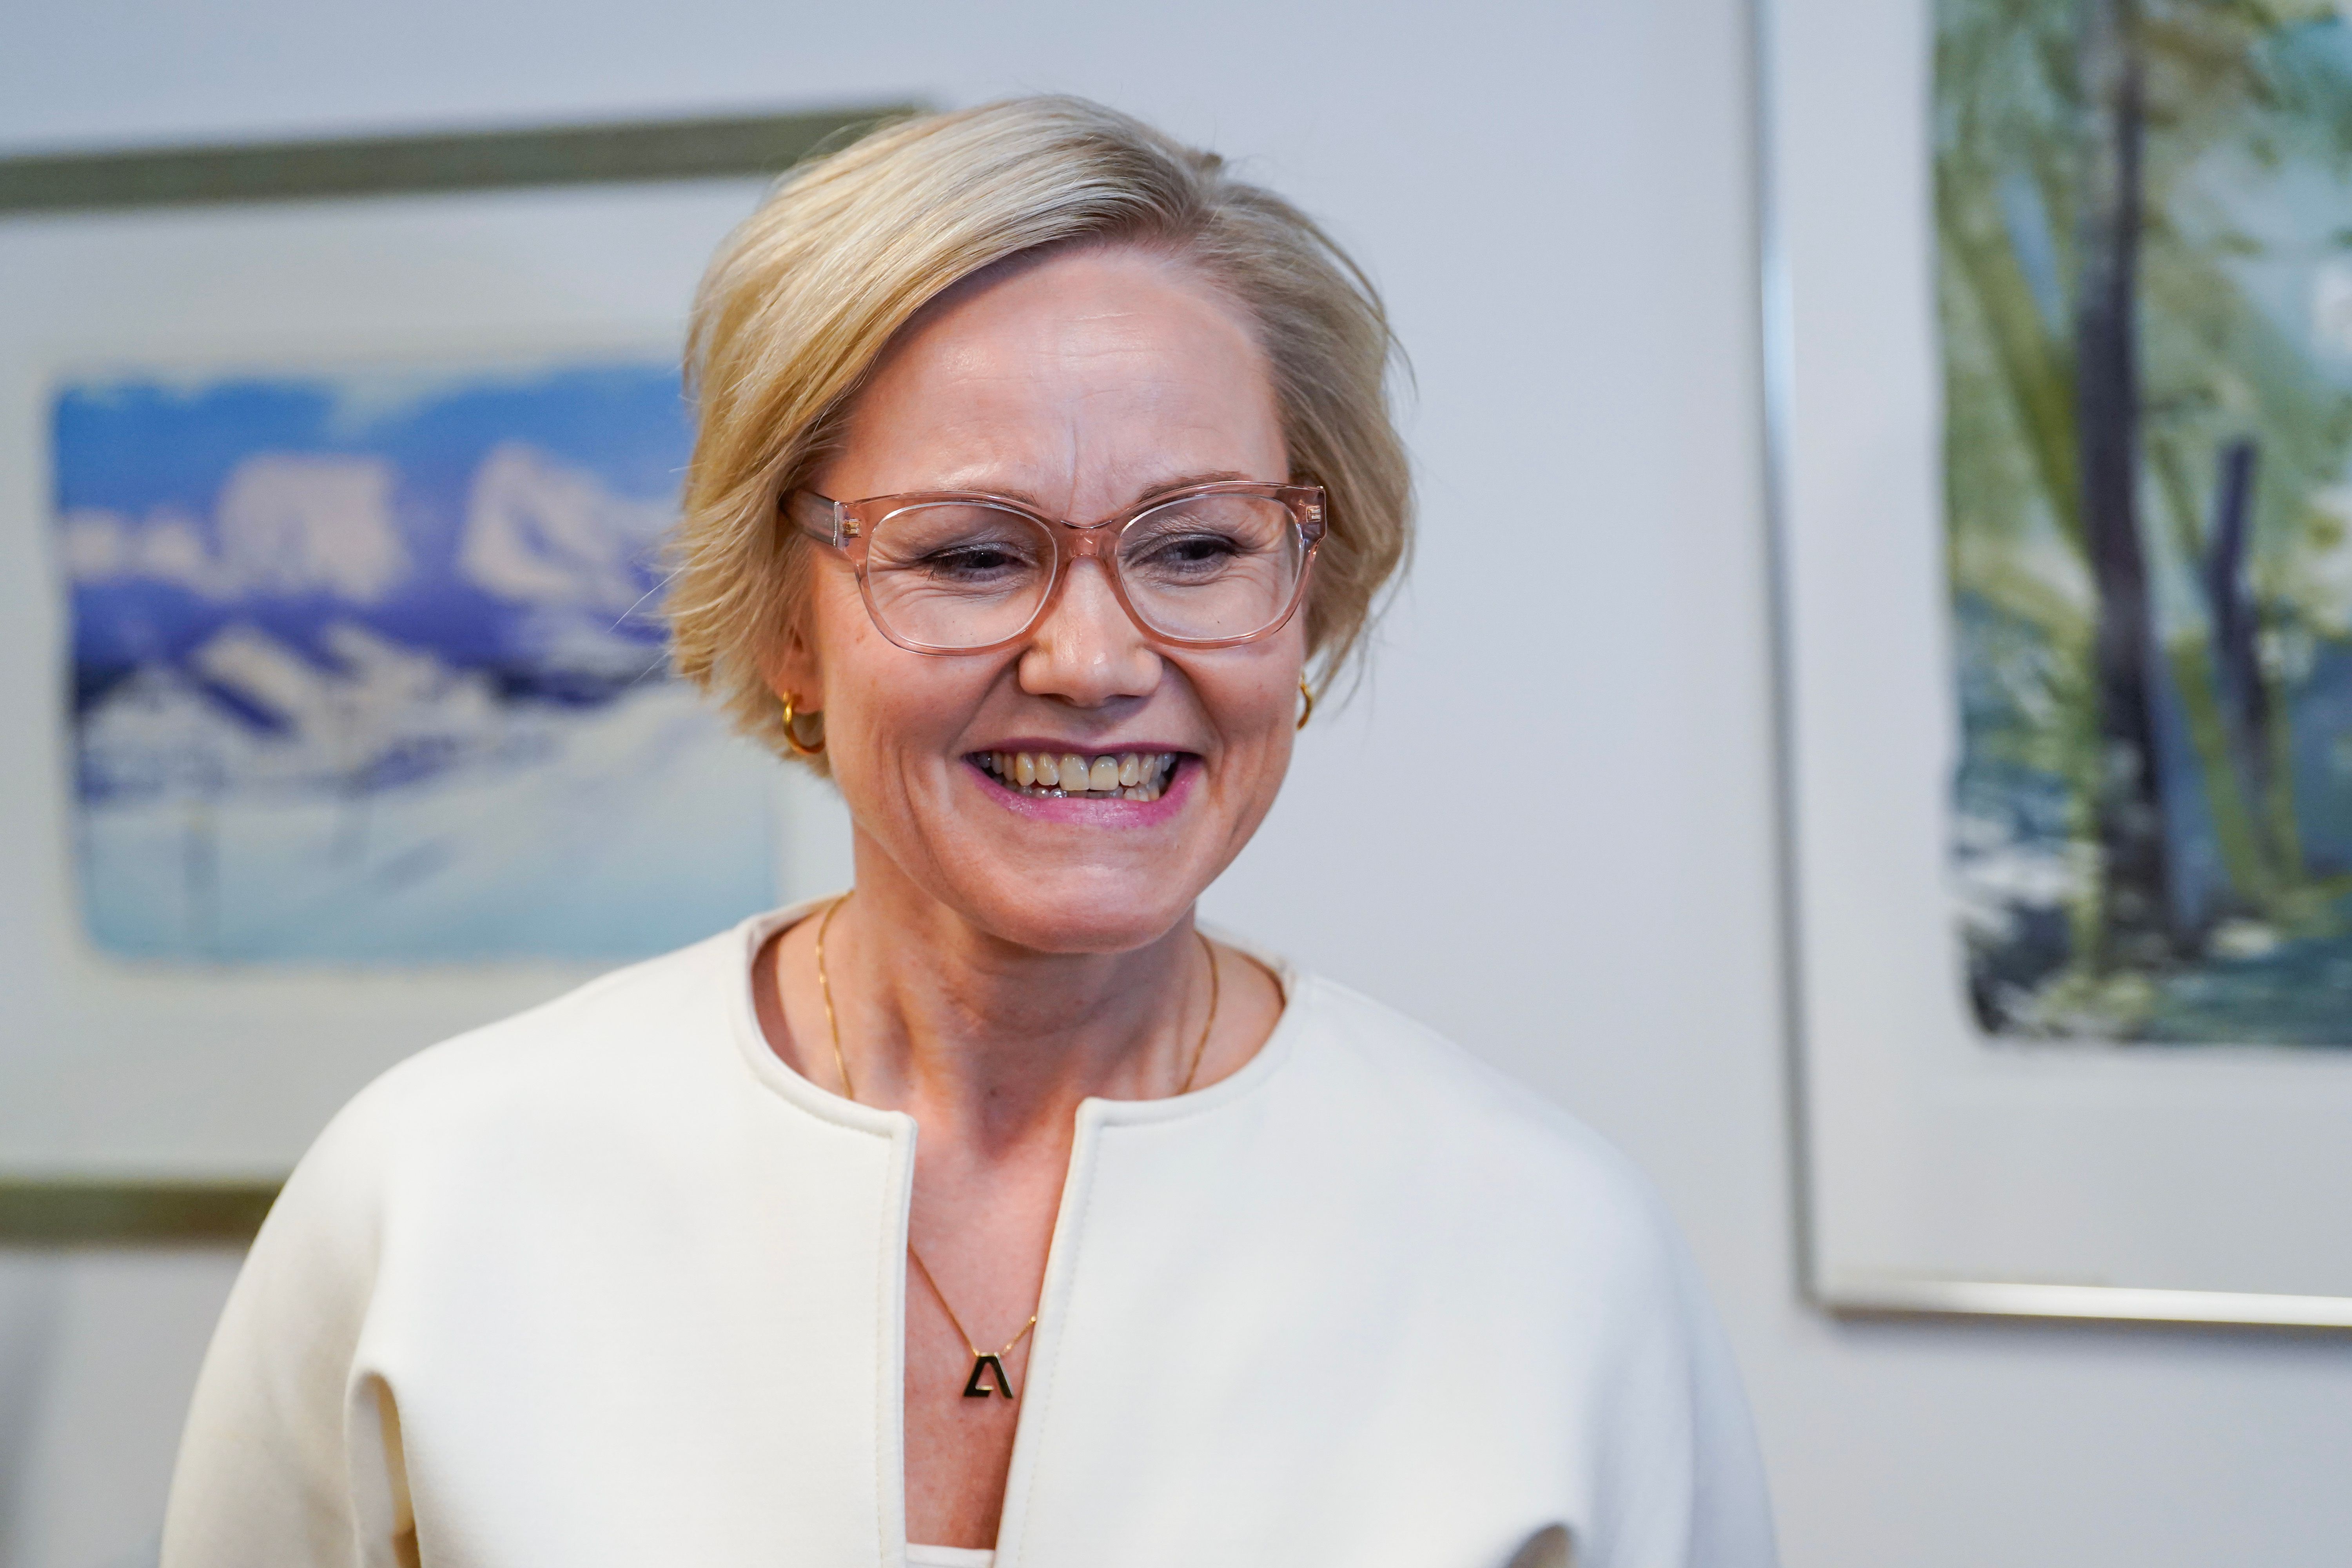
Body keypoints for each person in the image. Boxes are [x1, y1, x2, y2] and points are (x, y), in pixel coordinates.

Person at [162, 96, 1777, 1568]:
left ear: (1309, 591)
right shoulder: (438, 1196)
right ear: (785, 623)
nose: (1095, 661)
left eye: (1198, 545)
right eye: (970, 555)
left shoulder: (1548, 1257)